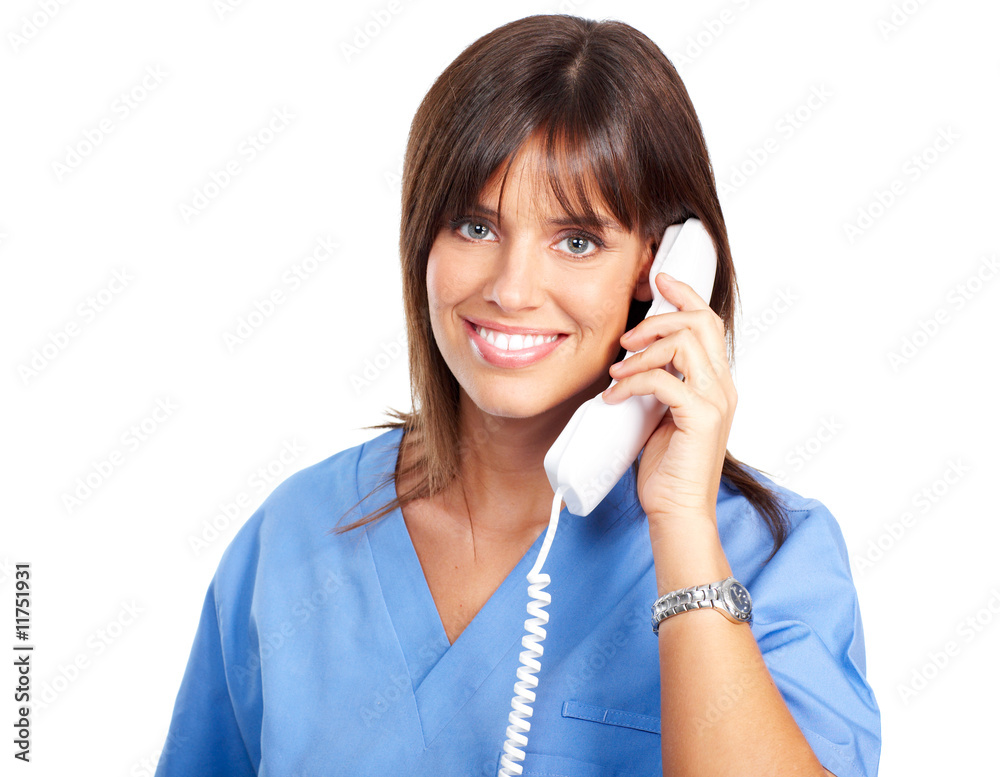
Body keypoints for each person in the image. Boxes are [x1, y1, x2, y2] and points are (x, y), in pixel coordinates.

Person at [154, 14, 880, 777]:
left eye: (578, 241)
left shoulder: (770, 553)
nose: (512, 289)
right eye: (475, 226)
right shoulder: (295, 535)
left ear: (660, 266)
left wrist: (682, 528)